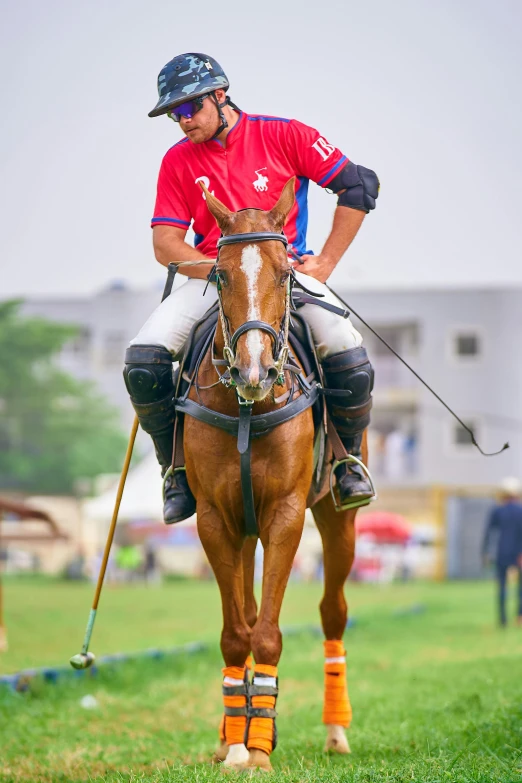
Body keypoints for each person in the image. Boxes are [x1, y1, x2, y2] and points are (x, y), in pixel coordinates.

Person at [124, 52, 380, 524]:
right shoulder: (178, 160)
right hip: (213, 277)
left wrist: (324, 262)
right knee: (143, 359)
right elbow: (165, 241)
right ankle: (174, 470)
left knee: (347, 350)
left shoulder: (286, 135)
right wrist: (219, 270)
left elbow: (360, 187)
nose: (181, 122)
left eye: (189, 109)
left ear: (220, 95)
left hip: (285, 275)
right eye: (173, 114)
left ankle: (348, 463)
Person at [482, 477, 522, 627]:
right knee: (521, 588)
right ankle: (519, 616)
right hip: (519, 553)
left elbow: (489, 533)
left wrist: (485, 552)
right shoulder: (521, 510)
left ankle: (503, 619)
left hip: (501, 553)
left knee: (502, 586)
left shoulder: (497, 511)